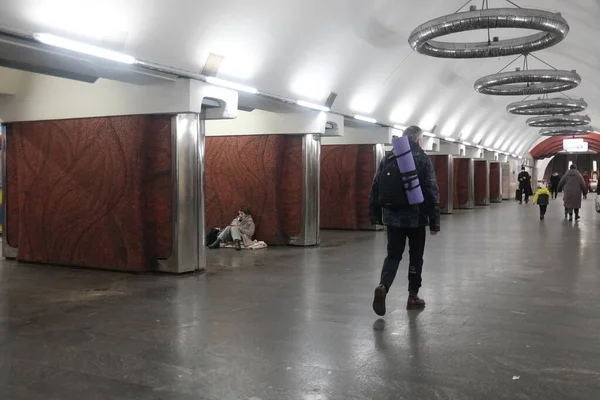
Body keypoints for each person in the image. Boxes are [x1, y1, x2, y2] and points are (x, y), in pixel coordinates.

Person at [369, 125, 440, 315]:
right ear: (418, 140)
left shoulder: (389, 157)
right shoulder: (423, 158)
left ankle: (383, 286)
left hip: (392, 217)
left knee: (393, 255)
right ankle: (413, 295)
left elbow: (375, 187)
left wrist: (376, 215)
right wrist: (434, 222)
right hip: (417, 218)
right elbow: (432, 191)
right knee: (416, 255)